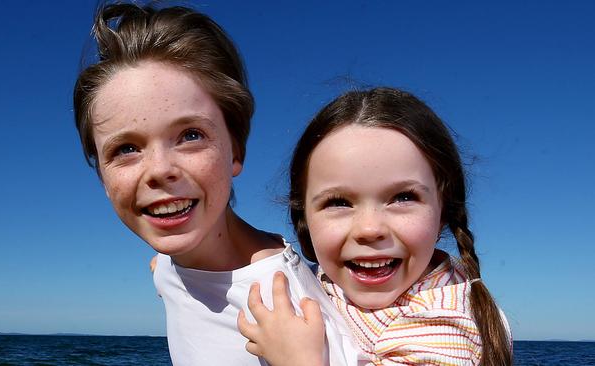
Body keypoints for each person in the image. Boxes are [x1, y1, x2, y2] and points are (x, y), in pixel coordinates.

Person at [73, 2, 358, 365]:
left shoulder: (289, 312)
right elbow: (164, 270)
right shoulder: (170, 263)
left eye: (191, 135)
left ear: (235, 151)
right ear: (102, 175)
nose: (159, 170)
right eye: (126, 148)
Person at [238, 87, 513, 365]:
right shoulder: (318, 277)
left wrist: (297, 360)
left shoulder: (444, 325)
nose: (369, 229)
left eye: (403, 197)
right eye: (339, 202)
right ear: (304, 217)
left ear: (444, 210)